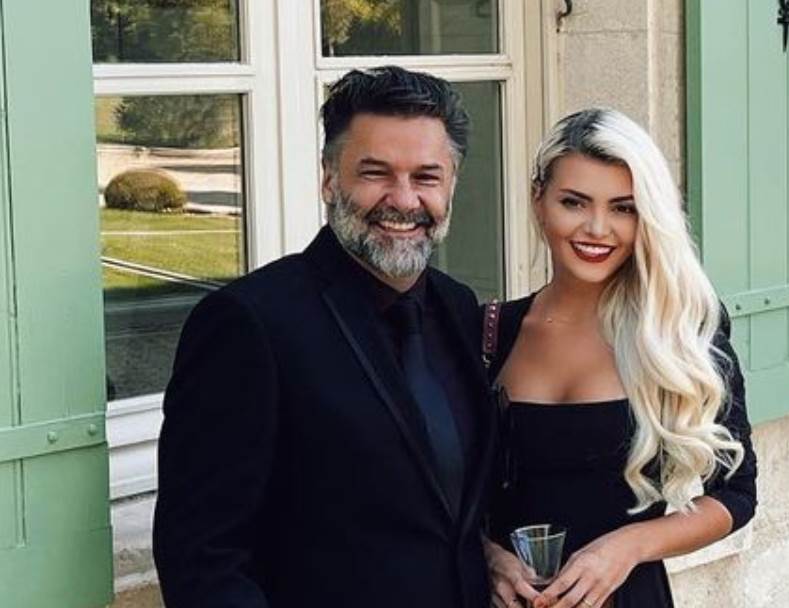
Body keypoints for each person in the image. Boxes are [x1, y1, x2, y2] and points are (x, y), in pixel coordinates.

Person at [153, 66, 496, 607]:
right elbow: (202, 560)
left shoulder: (457, 307)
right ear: (329, 179)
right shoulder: (248, 323)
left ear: (451, 184)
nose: (404, 200)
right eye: (376, 173)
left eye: (426, 177)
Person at [482, 108, 758, 608]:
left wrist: (628, 547)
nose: (597, 228)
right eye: (574, 202)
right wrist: (487, 557)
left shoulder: (680, 332)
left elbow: (736, 495)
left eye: (623, 208)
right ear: (539, 201)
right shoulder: (489, 332)